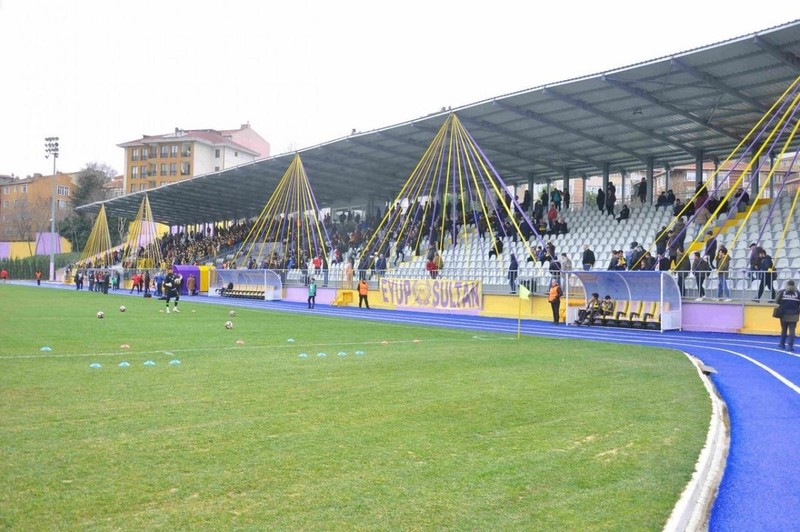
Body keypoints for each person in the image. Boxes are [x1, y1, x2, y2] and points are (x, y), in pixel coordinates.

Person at [775, 280, 800, 352]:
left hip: (783, 314)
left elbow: (776, 301)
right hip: (794, 315)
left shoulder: (783, 292)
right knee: (792, 331)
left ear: (787, 284)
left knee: (784, 329)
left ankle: (782, 343)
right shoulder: (798, 293)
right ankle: (790, 346)